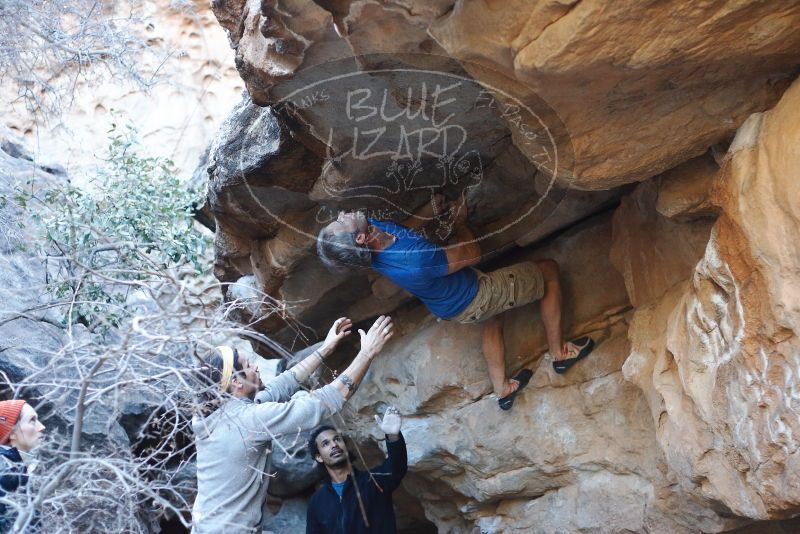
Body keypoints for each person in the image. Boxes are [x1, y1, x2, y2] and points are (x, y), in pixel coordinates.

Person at [317, 194, 595, 410]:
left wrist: (432, 213)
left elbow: (404, 229)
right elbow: (471, 253)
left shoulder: (371, 239)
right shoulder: (414, 259)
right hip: (474, 296)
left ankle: (503, 390)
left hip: (446, 302)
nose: (342, 214)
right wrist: (460, 221)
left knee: (493, 318)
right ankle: (559, 354)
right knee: (548, 271)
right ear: (361, 238)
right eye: (342, 222)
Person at [191, 315, 394, 534]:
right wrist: (366, 354)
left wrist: (325, 349)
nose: (256, 368)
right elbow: (322, 403)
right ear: (236, 382)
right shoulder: (248, 420)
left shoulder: (216, 416)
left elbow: (280, 386)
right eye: (248, 366)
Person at [306, 406, 406, 534]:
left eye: (337, 439)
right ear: (319, 457)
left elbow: (396, 467)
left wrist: (393, 435)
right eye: (326, 444)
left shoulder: (373, 481)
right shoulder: (317, 502)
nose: (334, 445)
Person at [0, 399, 46, 532]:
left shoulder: (14, 466)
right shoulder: (6, 470)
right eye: (32, 420)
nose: (42, 426)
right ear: (11, 432)